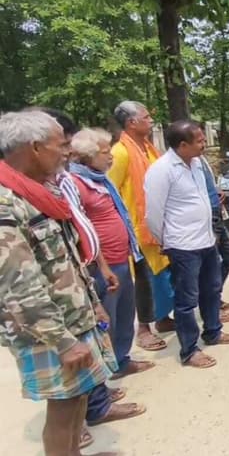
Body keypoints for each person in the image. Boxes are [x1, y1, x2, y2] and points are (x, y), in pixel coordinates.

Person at [0, 111, 117, 455]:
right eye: (61, 145)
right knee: (63, 408)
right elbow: (19, 287)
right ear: (35, 147)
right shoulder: (7, 203)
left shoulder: (38, 192)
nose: (68, 152)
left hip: (72, 319)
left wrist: (93, 305)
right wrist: (63, 342)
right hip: (47, 332)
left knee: (77, 397)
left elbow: (66, 260)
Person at [145, 121, 229, 369]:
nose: (204, 144)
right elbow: (153, 214)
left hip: (206, 239)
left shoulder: (196, 164)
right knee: (186, 299)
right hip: (182, 244)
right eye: (199, 141)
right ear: (182, 145)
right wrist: (166, 241)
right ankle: (189, 350)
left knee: (211, 288)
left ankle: (213, 331)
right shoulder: (161, 170)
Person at [69, 128, 155, 381]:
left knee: (125, 313)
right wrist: (102, 265)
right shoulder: (76, 184)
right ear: (87, 156)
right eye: (105, 152)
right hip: (102, 266)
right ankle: (104, 372)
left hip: (121, 259)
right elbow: (81, 228)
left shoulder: (100, 180)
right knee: (107, 319)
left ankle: (121, 360)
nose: (111, 157)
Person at [109, 100, 174, 351]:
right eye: (146, 117)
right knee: (144, 280)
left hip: (156, 223)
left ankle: (162, 318)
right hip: (136, 229)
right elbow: (111, 192)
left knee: (162, 276)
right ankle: (144, 329)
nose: (151, 121)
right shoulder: (120, 153)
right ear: (131, 123)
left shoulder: (148, 148)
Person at [198, 149, 229, 320]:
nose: (203, 144)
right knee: (211, 265)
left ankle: (215, 298)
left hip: (216, 214)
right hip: (207, 218)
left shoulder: (201, 160)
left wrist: (217, 190)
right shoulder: (185, 165)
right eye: (199, 140)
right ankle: (211, 307)